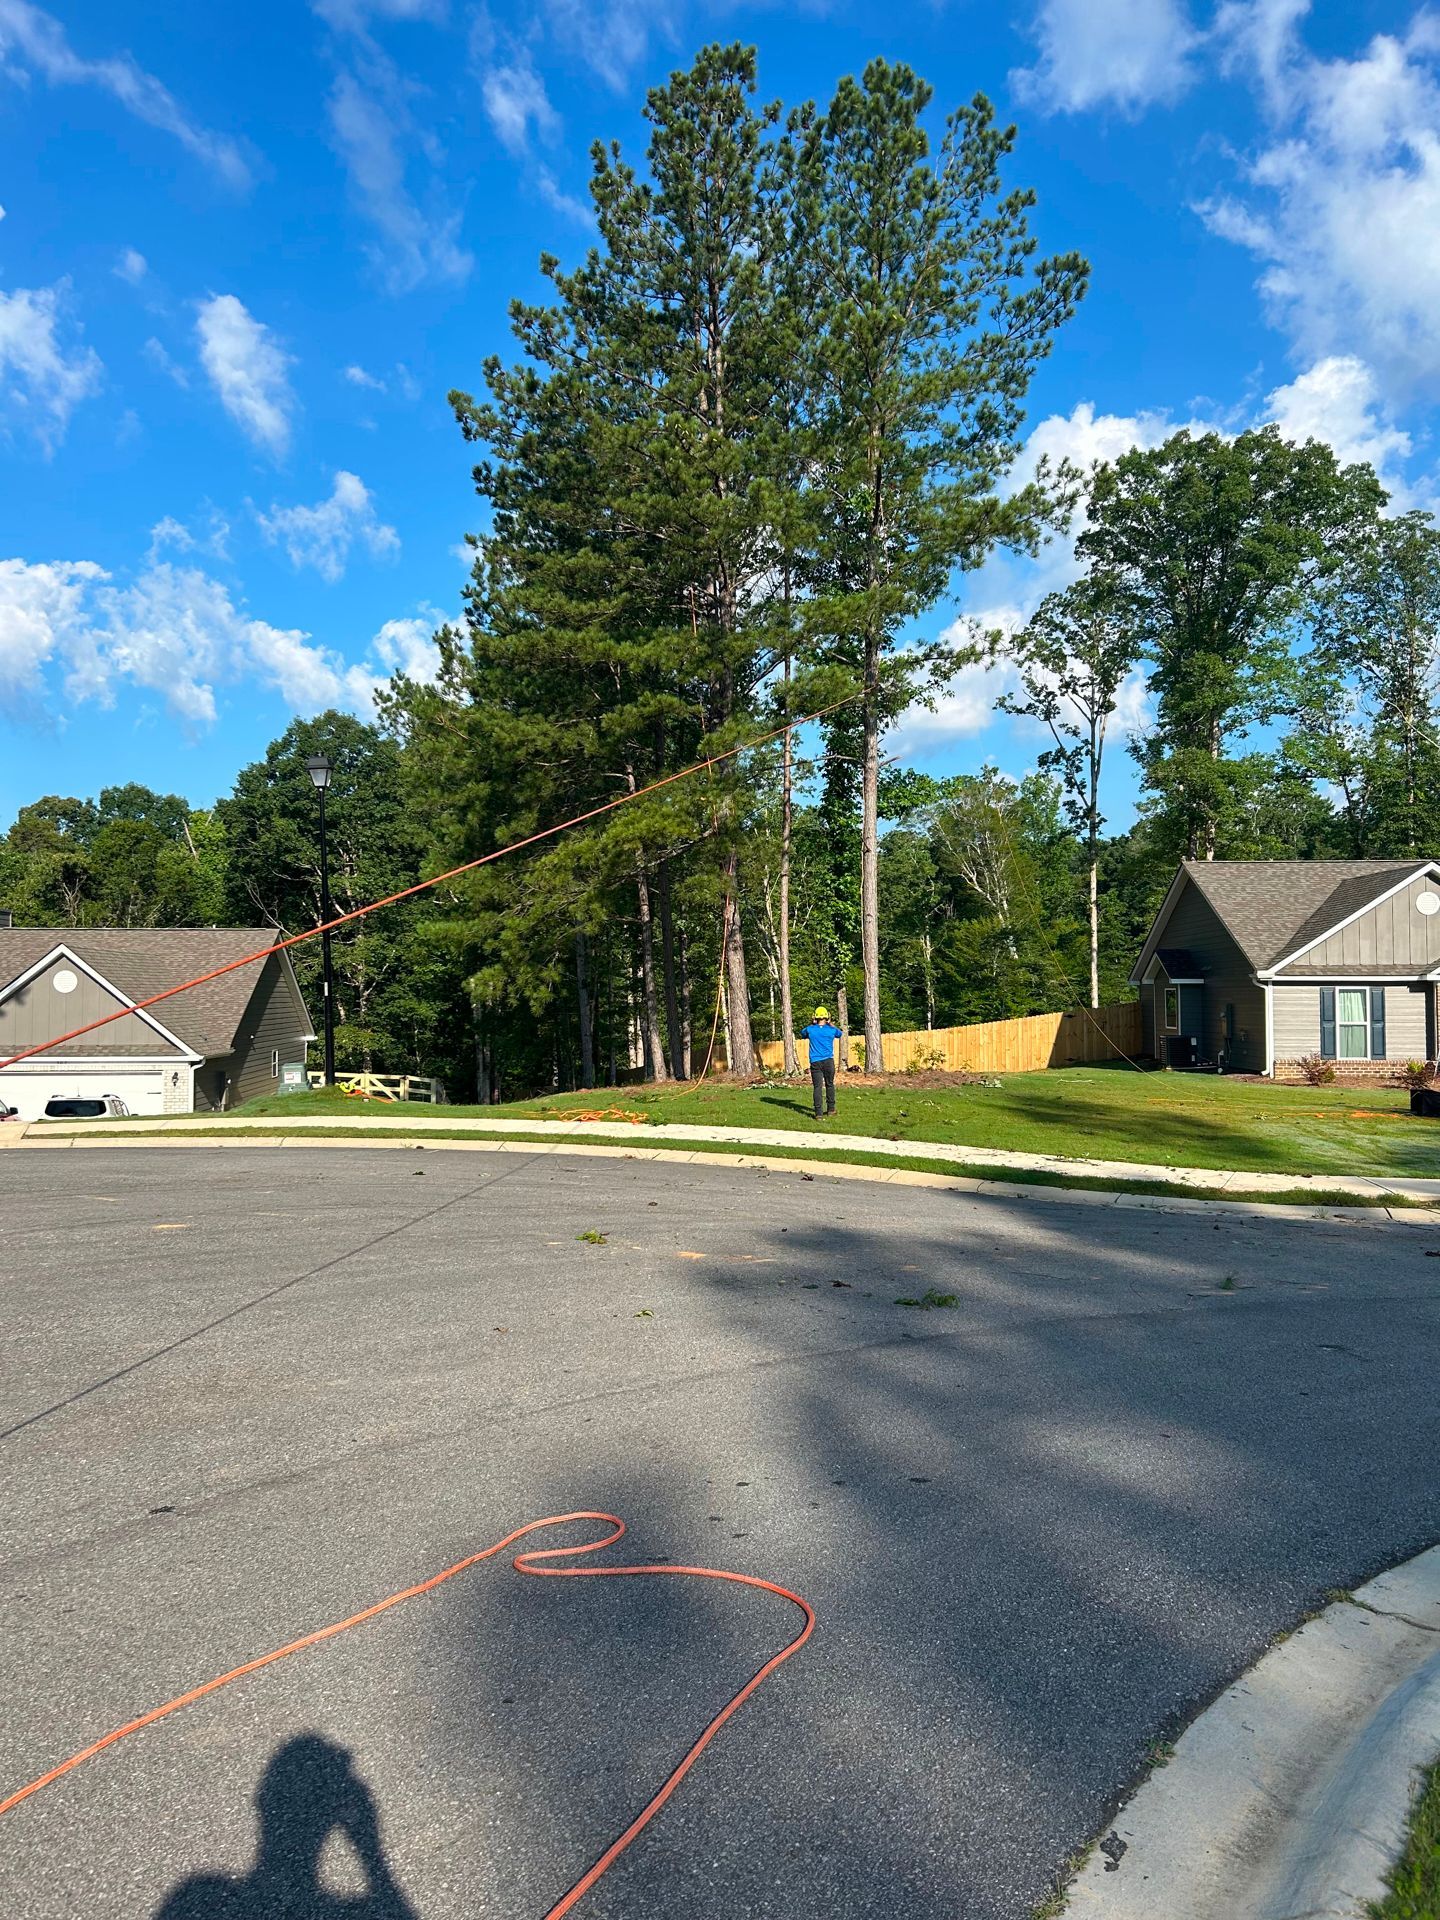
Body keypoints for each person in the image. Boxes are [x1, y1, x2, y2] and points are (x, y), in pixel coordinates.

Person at [801, 1005, 844, 1120]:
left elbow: (802, 1033)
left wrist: (812, 1023)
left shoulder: (810, 1029)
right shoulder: (831, 1030)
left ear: (815, 1017)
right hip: (828, 1061)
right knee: (830, 1084)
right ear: (827, 1017)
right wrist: (830, 1024)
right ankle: (831, 1109)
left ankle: (818, 1113)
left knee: (817, 1087)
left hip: (815, 1062)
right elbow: (840, 1034)